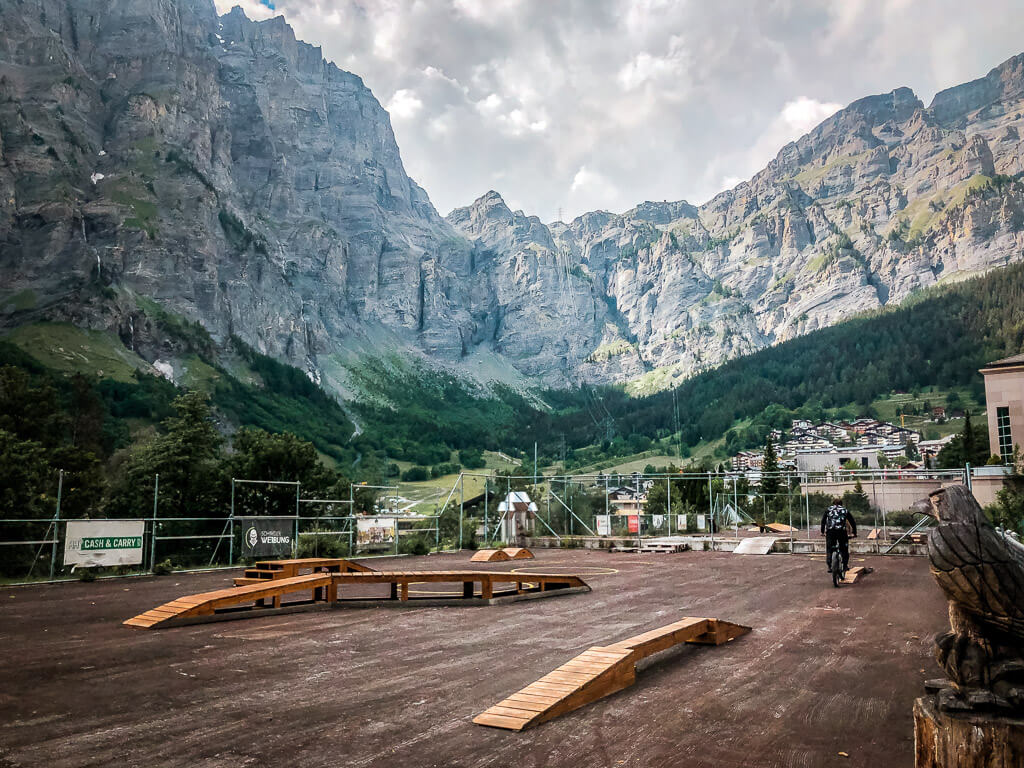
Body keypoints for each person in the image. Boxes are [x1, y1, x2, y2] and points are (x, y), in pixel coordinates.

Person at [820, 496, 857, 572]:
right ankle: (845, 565)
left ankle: (829, 566)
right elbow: (852, 522)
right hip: (841, 532)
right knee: (844, 549)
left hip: (830, 531)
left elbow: (823, 521)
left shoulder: (828, 510)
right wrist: (854, 533)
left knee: (829, 548)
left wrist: (822, 532)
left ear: (833, 503)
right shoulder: (844, 510)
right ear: (841, 504)